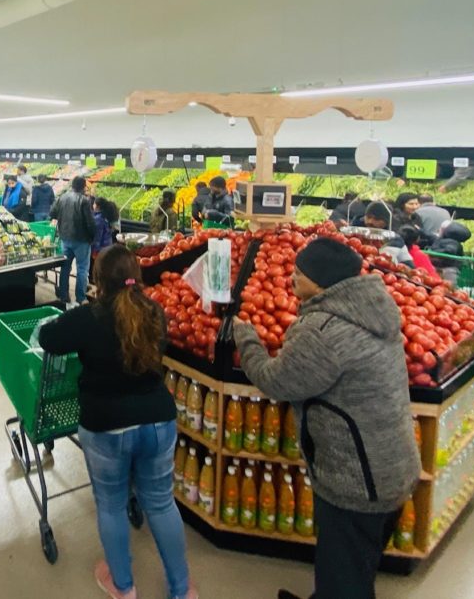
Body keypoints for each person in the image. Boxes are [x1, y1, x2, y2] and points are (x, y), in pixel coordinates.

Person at [232, 238, 419, 599]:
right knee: (356, 561)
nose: (291, 279)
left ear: (320, 282)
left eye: (299, 274)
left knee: (345, 576)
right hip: (392, 463)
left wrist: (248, 340)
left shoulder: (322, 331)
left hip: (357, 479)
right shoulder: (376, 308)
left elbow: (276, 381)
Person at [39, 245, 194, 599]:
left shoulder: (88, 317)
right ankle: (182, 589)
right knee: (160, 502)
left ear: (97, 280)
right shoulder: (154, 311)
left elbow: (49, 339)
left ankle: (123, 587)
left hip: (106, 426)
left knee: (110, 504)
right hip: (158, 420)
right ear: (136, 277)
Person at [50, 176, 96, 305]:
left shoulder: (62, 197)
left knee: (65, 267)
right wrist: (92, 237)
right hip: (81, 240)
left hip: (65, 237)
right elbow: (90, 222)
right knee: (82, 269)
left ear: (72, 185)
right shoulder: (84, 201)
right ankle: (80, 298)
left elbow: (52, 213)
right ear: (83, 187)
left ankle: (64, 296)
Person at [363, 201, 413, 266]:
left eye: (377, 219)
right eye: (368, 217)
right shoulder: (360, 233)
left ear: (386, 222)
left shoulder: (394, 239)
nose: (370, 221)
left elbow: (384, 263)